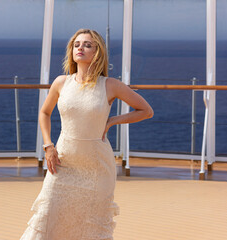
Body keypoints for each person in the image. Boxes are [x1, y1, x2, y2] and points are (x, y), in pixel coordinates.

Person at [20, 29, 153, 240]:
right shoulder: (61, 82)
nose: (80, 48)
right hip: (63, 162)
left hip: (96, 167)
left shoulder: (110, 85)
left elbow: (146, 111)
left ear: (97, 52)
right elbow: (44, 112)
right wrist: (48, 146)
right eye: (77, 44)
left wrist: (112, 120)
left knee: (90, 227)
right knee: (47, 219)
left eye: (87, 45)